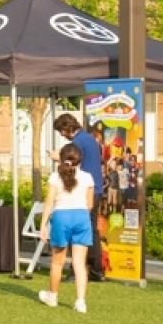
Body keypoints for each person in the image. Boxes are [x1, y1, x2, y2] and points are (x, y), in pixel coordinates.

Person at [39, 143, 96, 314]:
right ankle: (80, 302)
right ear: (80, 160)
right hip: (82, 217)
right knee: (79, 263)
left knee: (58, 261)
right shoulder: (87, 177)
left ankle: (53, 296)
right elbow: (90, 204)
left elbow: (49, 202)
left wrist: (43, 225)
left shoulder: (55, 177)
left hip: (61, 217)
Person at [54, 114, 109, 282]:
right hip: (96, 188)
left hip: (83, 191)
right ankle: (96, 270)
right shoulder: (90, 139)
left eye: (62, 131)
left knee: (78, 230)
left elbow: (70, 167)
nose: (62, 135)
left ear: (67, 128)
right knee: (91, 230)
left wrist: (59, 158)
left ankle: (78, 269)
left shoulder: (77, 143)